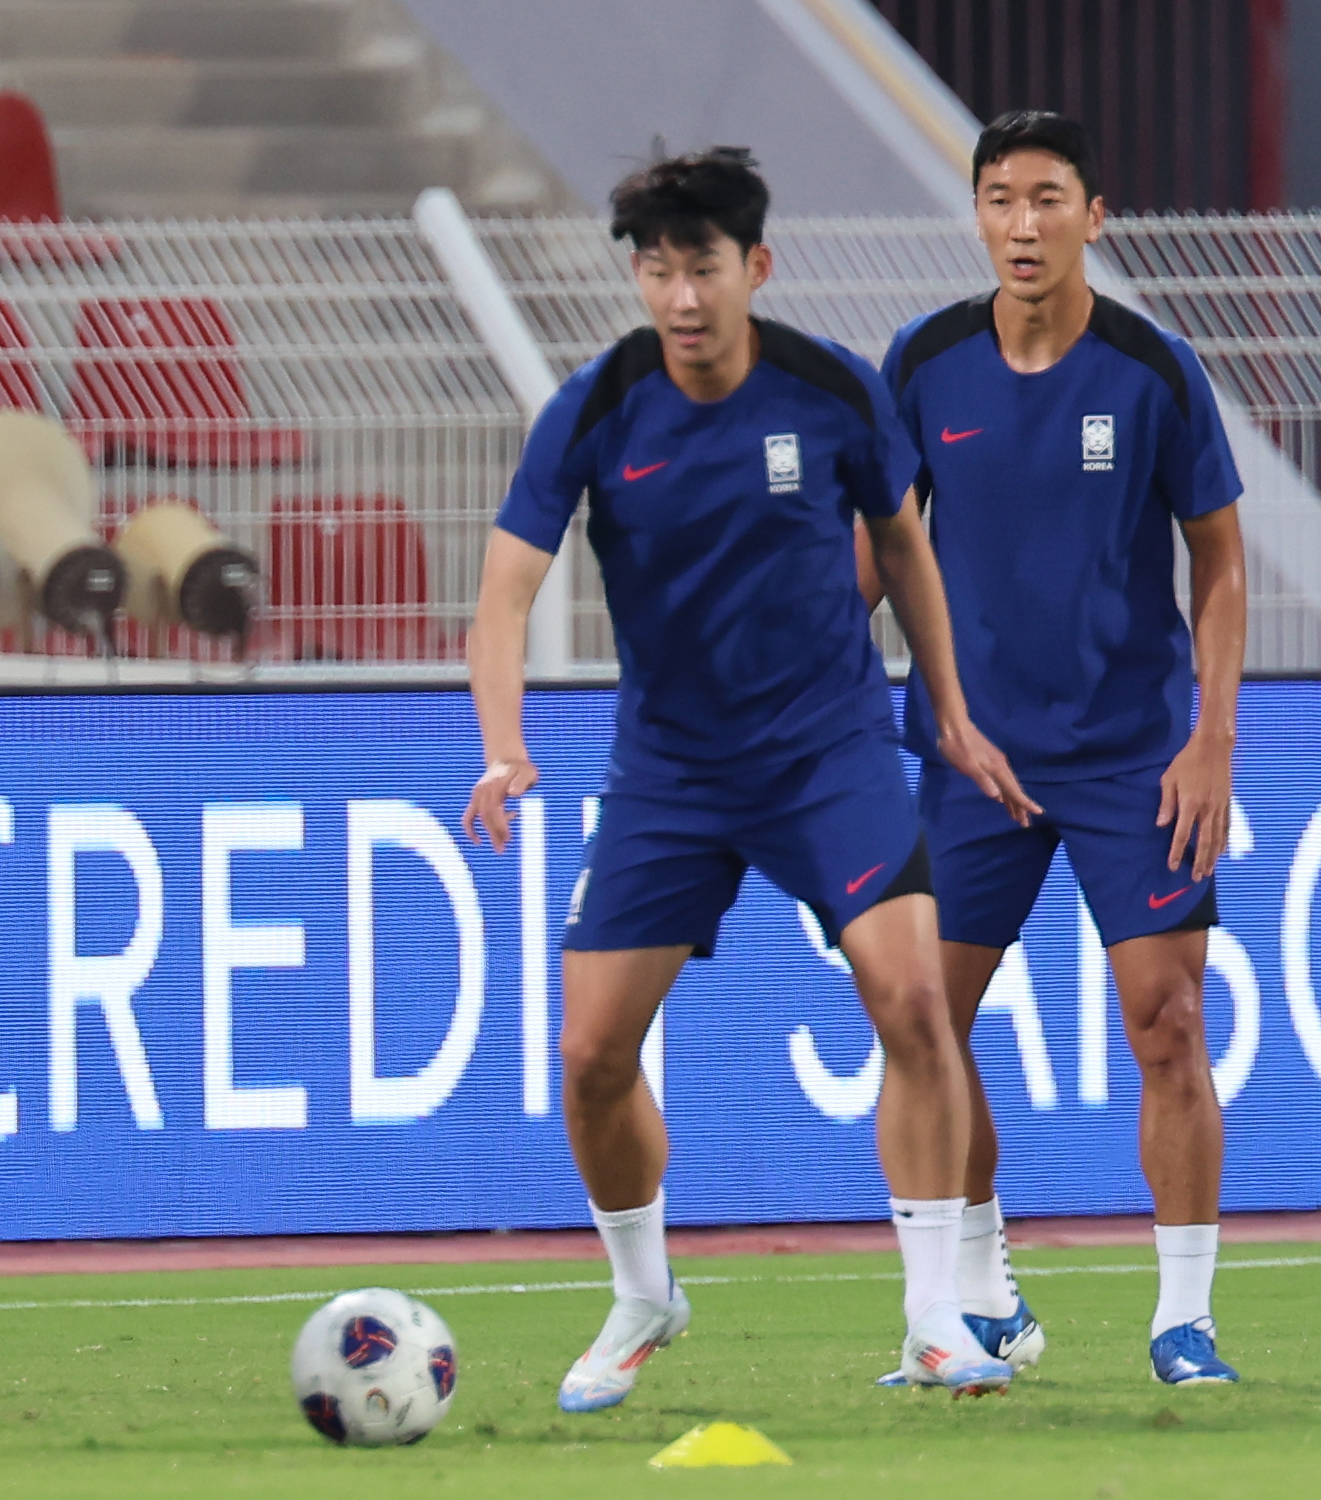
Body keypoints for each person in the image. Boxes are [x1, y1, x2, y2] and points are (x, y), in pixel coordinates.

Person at [462, 147, 1036, 1409]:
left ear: (753, 268)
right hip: (669, 772)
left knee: (914, 1007)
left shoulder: (828, 393)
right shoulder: (596, 408)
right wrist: (502, 744)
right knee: (592, 1057)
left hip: (828, 755)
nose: (679, 296)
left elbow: (906, 549)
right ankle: (643, 1294)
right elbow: (504, 595)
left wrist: (947, 712)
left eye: (702, 267)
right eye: (657, 270)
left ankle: (937, 1310)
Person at [862, 111, 1250, 1387]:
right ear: (976, 215)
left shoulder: (1151, 368)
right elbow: (871, 551)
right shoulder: (921, 364)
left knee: (1168, 1021)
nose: (1021, 224)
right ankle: (979, 1292)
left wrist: (1211, 736)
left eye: (1046, 198)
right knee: (929, 1025)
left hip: (1129, 757)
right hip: (973, 757)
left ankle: (1183, 1318)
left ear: (1095, 216)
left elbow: (1222, 559)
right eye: (997, 199)